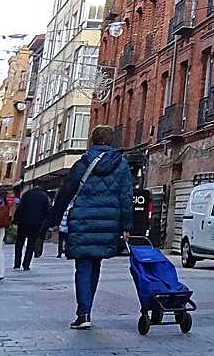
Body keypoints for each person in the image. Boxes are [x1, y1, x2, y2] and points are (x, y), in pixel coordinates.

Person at [49, 125, 131, 330]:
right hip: (108, 223)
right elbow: (126, 197)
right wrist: (126, 226)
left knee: (83, 266)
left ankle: (83, 312)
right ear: (111, 141)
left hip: (83, 221)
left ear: (92, 141)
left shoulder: (83, 163)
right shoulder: (121, 165)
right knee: (95, 265)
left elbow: (66, 192)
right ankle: (86, 309)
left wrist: (54, 220)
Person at [13, 183, 50, 271]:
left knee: (19, 243)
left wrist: (15, 220)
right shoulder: (44, 196)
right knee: (31, 244)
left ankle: (17, 264)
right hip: (36, 223)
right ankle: (26, 265)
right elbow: (47, 211)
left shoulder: (26, 194)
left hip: (23, 222)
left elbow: (20, 208)